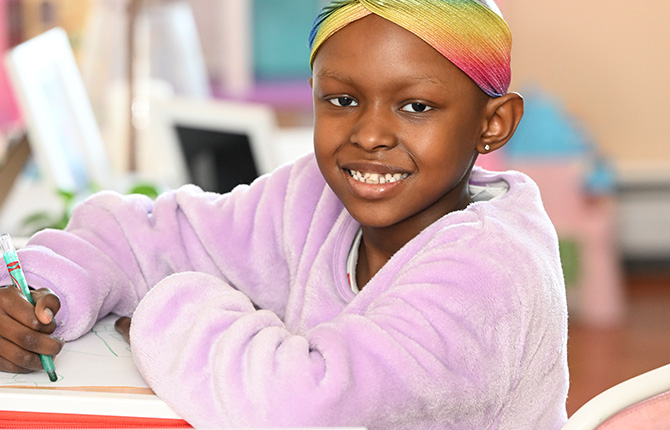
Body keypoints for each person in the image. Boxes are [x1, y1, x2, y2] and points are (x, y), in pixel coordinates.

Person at [0, 0, 569, 428]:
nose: (369, 134)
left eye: (416, 106)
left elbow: (301, 405)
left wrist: (168, 310)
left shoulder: (490, 273)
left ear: (492, 124)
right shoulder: (317, 196)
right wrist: (45, 289)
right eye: (342, 100)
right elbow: (152, 235)